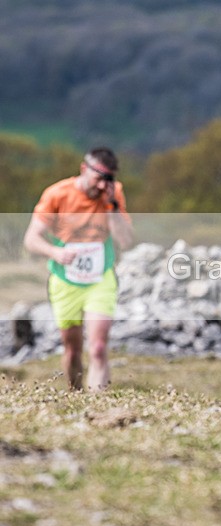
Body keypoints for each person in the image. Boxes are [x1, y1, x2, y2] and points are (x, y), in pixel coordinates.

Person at [23, 147, 134, 391]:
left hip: (100, 278)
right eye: (99, 178)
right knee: (72, 349)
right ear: (84, 170)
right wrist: (55, 253)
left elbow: (126, 241)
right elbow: (31, 239)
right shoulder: (57, 194)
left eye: (109, 179)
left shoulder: (113, 195)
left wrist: (112, 206)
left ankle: (98, 404)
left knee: (98, 347)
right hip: (65, 280)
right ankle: (76, 395)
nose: (103, 185)